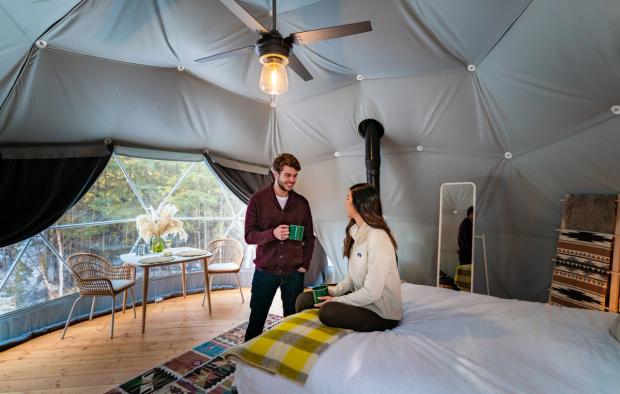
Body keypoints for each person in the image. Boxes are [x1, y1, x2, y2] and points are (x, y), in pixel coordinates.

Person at [295, 183, 402, 332]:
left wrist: (336, 300)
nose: (345, 203)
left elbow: (372, 292)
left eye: (348, 197)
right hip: (364, 301)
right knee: (303, 299)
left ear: (359, 203)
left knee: (328, 312)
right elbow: (352, 278)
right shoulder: (355, 232)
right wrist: (334, 292)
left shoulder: (378, 237)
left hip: (381, 313)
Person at [244, 153, 315, 341]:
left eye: (295, 176)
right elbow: (249, 236)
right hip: (265, 271)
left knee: (293, 322)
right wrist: (272, 234)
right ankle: (245, 363)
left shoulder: (302, 203)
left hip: (294, 273)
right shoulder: (257, 200)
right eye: (287, 175)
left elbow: (309, 238)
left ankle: (288, 361)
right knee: (256, 319)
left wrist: (303, 266)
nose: (292, 180)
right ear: (275, 173)